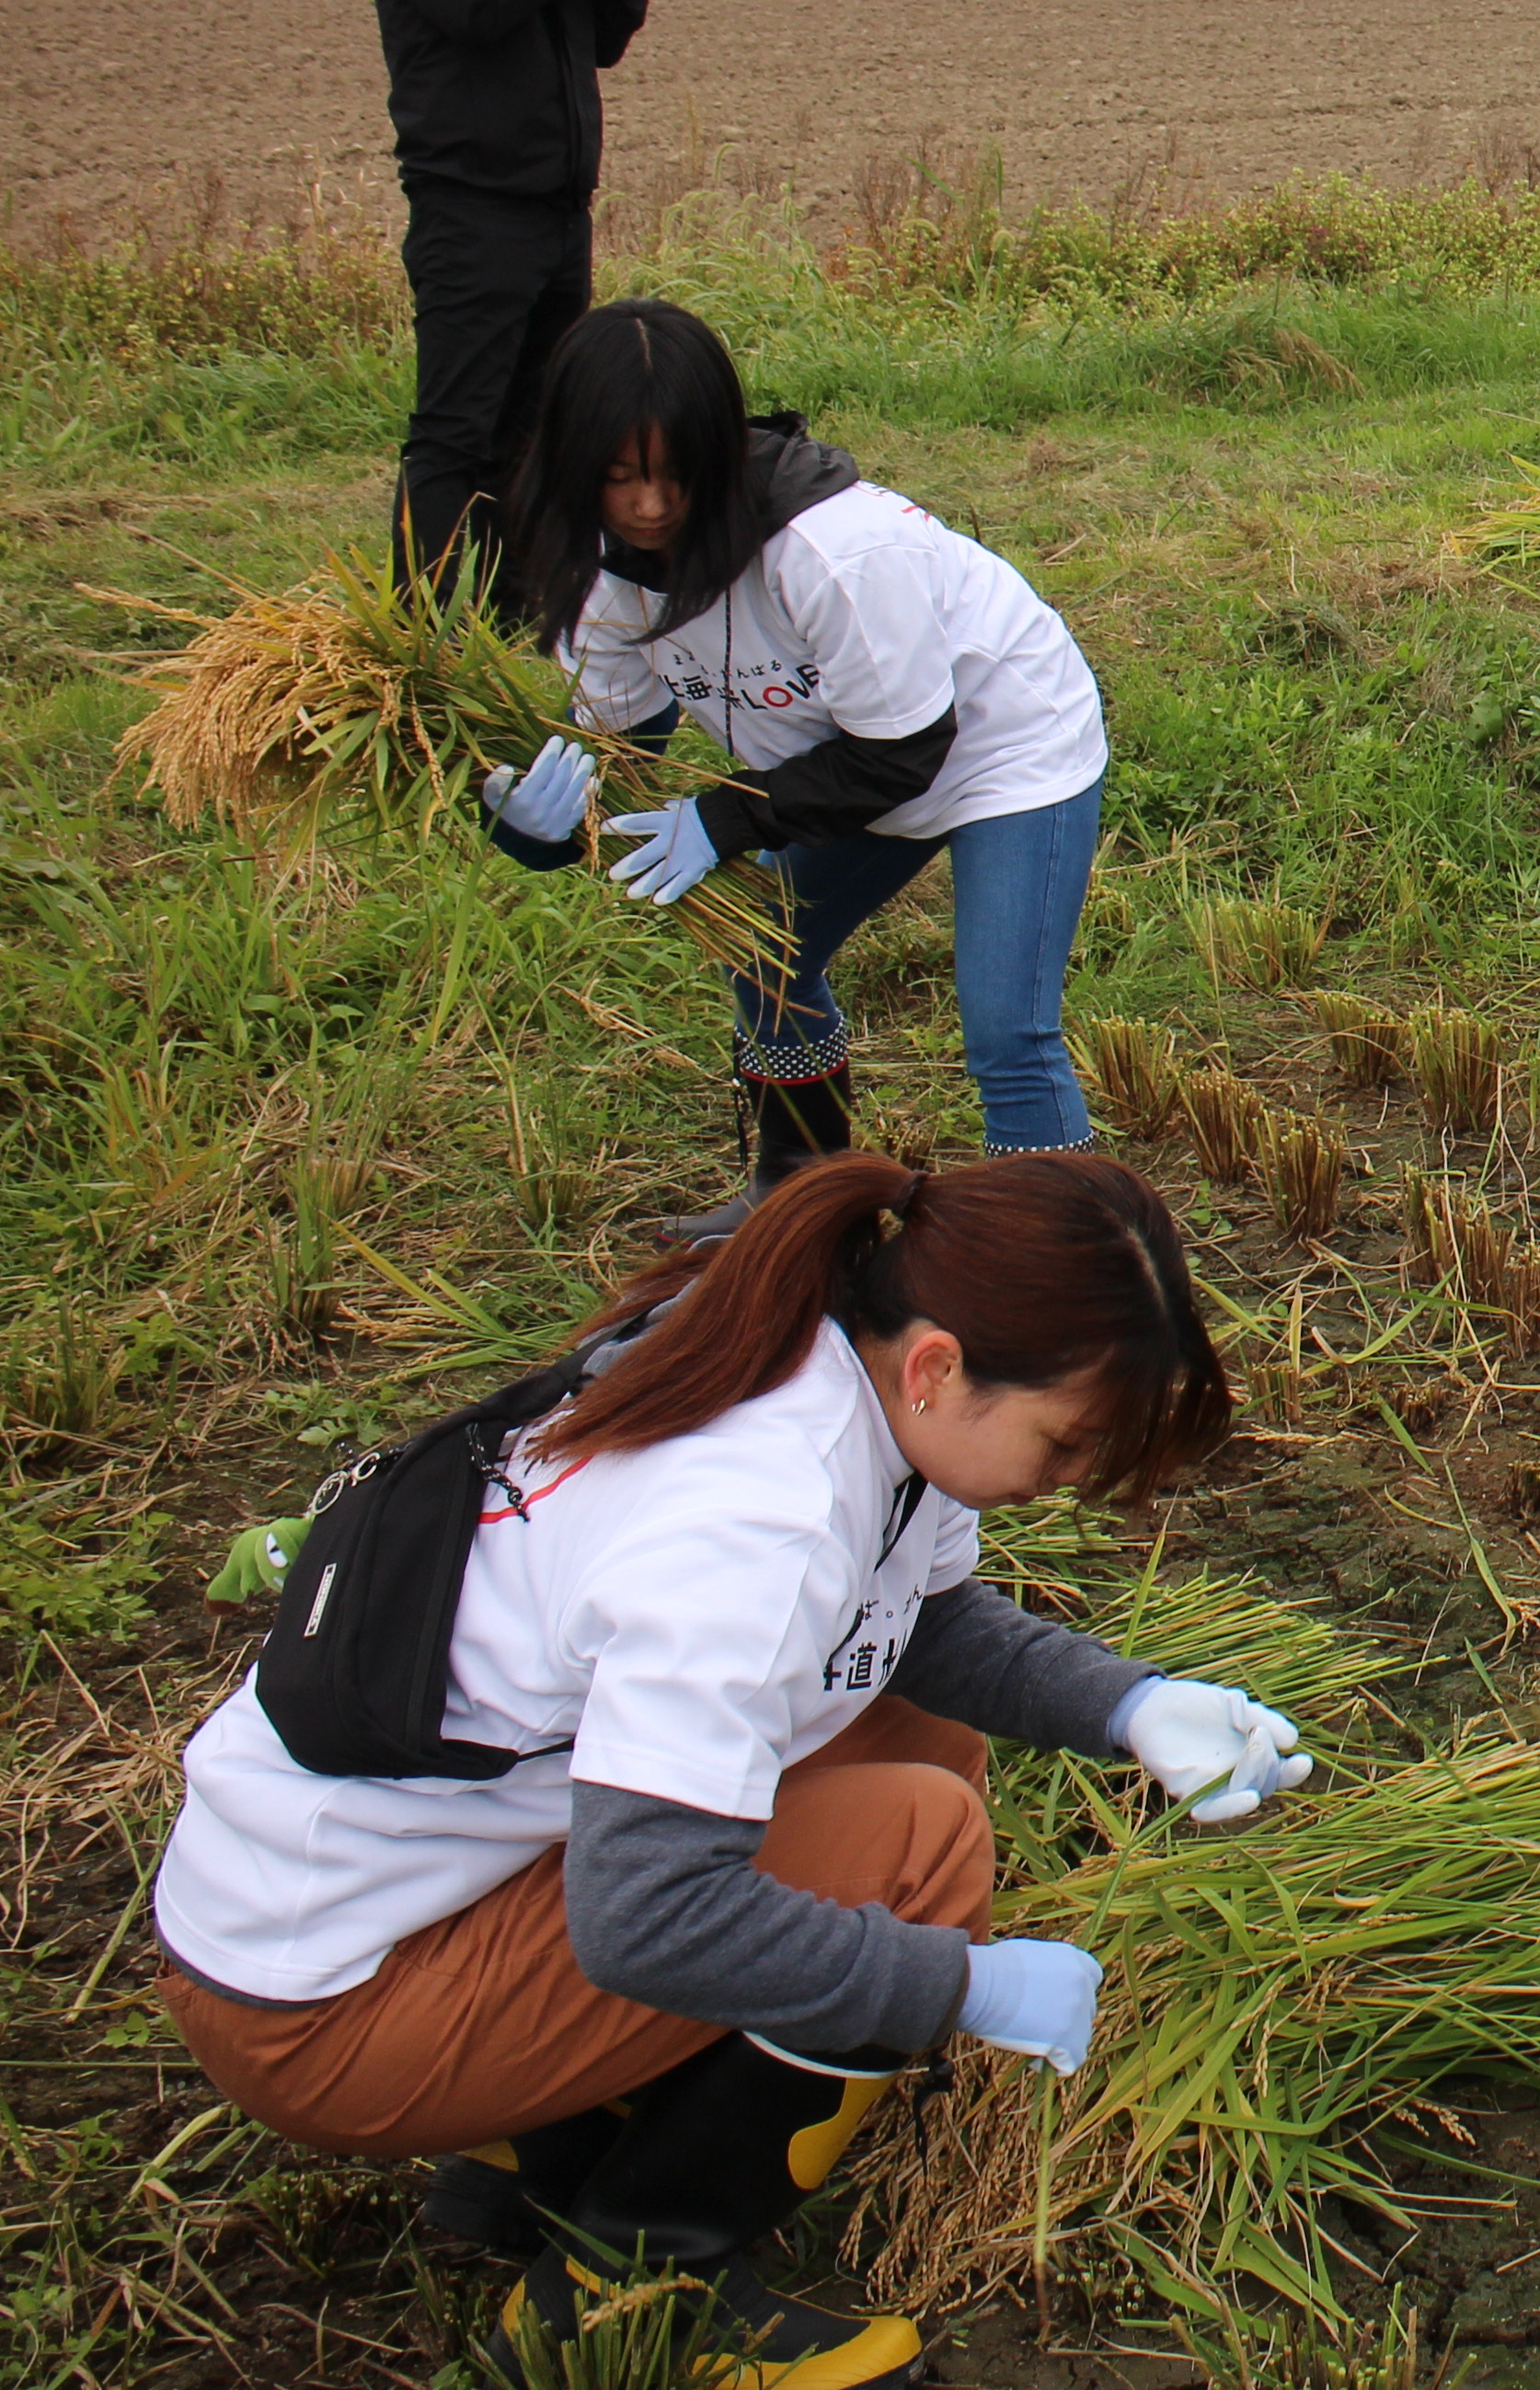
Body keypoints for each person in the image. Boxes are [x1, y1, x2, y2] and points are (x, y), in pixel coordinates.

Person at [155, 1151, 1310, 2388]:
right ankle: (632, 2293)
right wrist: (953, 1986)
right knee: (914, 1852)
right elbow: (649, 1919)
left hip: (378, 1886)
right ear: (938, 1366)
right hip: (325, 2007)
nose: (1074, 1477)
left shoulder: (842, 1366)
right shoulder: (754, 1521)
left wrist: (1128, 1704)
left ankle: (557, 2148)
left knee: (913, 1743)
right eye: (1068, 1440)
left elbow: (912, 1626)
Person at [477, 302, 1111, 1242]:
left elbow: (902, 752)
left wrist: (727, 823)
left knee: (1005, 1030)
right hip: (840, 758)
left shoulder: (836, 552)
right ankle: (801, 1192)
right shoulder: (601, 581)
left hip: (1000, 749)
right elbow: (619, 753)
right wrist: (536, 825)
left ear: (718, 452)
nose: (648, 507)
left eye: (672, 475)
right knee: (765, 953)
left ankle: (1053, 1264)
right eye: (616, 480)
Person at [359, 0, 654, 626]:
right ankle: (413, 634)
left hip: (557, 214)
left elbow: (595, 43)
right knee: (456, 434)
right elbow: (474, 4)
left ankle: (517, 622)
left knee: (533, 434)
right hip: (471, 209)